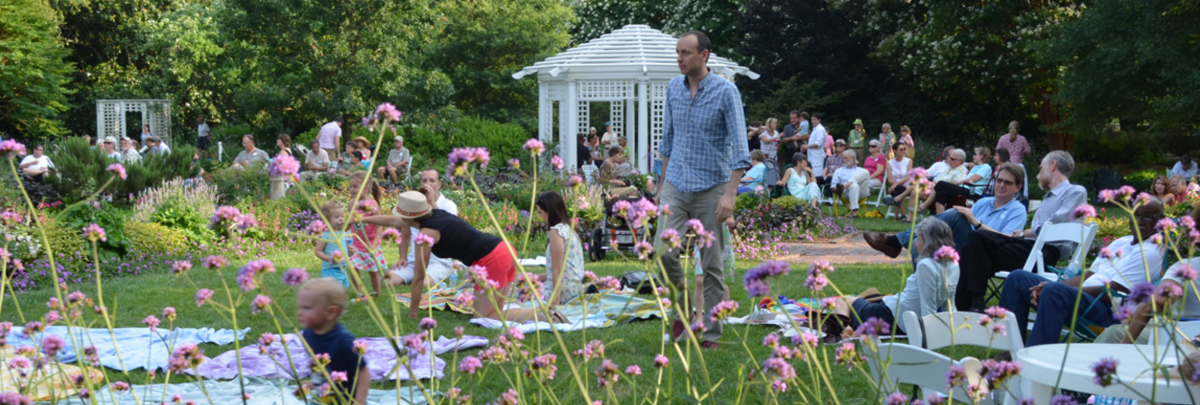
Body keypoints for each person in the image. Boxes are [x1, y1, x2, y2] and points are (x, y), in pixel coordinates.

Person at [655, 30, 750, 349]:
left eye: (685, 53)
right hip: (676, 183)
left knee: (711, 263)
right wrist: (661, 186)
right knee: (662, 251)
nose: (679, 58)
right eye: (677, 52)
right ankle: (682, 311)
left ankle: (710, 333)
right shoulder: (672, 88)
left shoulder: (726, 91)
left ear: (704, 55)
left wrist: (730, 194)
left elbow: (740, 147)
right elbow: (667, 141)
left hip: (713, 185)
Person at [364, 191, 560, 322]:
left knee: (483, 317)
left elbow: (418, 277)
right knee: (496, 312)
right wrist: (362, 218)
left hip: (492, 259)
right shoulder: (434, 214)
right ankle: (544, 315)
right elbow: (393, 220)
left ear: (410, 216)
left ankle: (543, 316)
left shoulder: (426, 235)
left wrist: (413, 312)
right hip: (504, 249)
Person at [999, 199, 1165, 347]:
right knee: (1017, 278)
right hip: (1085, 299)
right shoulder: (1122, 242)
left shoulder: (1149, 253)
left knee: (1053, 292)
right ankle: (1009, 349)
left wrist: (1059, 290)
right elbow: (1088, 275)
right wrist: (1055, 286)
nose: (1139, 221)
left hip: (1107, 310)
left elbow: (1110, 294)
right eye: (1135, 214)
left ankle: (1038, 356)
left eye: (1148, 216)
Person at [955, 151, 1089, 311]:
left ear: (1052, 166)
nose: (1038, 175)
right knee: (971, 246)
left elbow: (1054, 224)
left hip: (1044, 254)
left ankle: (974, 306)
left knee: (977, 239)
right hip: (1028, 249)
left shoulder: (1075, 191)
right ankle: (965, 309)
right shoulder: (1049, 197)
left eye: (1041, 169)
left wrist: (1023, 233)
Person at [866, 163, 1028, 264]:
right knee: (919, 242)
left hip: (984, 252)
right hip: (961, 244)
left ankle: (896, 241)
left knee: (955, 214)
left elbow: (1008, 240)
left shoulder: (1018, 210)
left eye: (1008, 183)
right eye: (999, 180)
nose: (1001, 185)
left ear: (1018, 187)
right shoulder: (984, 203)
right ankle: (922, 296)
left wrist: (976, 223)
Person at [1095, 205, 1200, 345]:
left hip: (1182, 338)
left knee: (1114, 333)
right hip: (1186, 334)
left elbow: (1155, 303)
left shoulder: (1186, 268)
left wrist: (1125, 344)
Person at [836, 217, 959, 334]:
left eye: (919, 239)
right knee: (872, 297)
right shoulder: (953, 264)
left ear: (928, 242)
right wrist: (954, 332)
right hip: (898, 315)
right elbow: (950, 307)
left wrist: (930, 337)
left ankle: (845, 327)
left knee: (842, 300)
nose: (916, 244)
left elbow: (928, 310)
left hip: (891, 317)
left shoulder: (926, 265)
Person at [296, 278, 369, 405]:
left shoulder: (343, 341)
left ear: (331, 312)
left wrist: (360, 400)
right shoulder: (307, 334)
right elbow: (323, 369)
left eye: (307, 308)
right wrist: (314, 383)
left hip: (346, 399)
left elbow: (363, 372)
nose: (299, 313)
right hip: (321, 398)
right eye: (300, 307)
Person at [393, 169, 459, 287]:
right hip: (414, 260)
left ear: (439, 184)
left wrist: (432, 203)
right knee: (388, 281)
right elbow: (404, 233)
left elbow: (445, 230)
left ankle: (439, 273)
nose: (427, 184)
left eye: (432, 181)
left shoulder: (449, 206)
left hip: (438, 261)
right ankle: (408, 279)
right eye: (424, 181)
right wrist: (402, 258)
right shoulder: (414, 205)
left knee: (422, 284)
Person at [536, 191, 585, 305]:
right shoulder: (569, 229)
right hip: (576, 288)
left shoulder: (556, 232)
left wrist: (555, 305)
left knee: (514, 290)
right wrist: (537, 277)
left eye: (541, 213)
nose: (541, 217)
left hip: (564, 291)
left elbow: (557, 271)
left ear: (549, 212)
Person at [346, 172, 384, 298]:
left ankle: (377, 293)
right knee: (353, 268)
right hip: (355, 244)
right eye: (351, 186)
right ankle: (360, 293)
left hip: (370, 244)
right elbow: (349, 223)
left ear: (366, 188)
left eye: (355, 186)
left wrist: (375, 243)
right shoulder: (352, 204)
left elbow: (380, 224)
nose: (352, 189)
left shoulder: (372, 205)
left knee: (373, 272)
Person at [923, 146, 993, 214]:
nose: (973, 156)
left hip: (973, 192)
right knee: (940, 194)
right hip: (965, 189)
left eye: (975, 154)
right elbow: (963, 165)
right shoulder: (976, 167)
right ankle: (941, 220)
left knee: (941, 184)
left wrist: (956, 183)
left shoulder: (986, 167)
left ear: (982, 156)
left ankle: (924, 206)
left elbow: (970, 181)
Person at [694, 216, 735, 318]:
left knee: (716, 281)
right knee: (700, 281)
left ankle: (726, 313)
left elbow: (730, 220)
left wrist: (713, 219)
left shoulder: (720, 201)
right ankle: (699, 317)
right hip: (702, 243)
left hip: (718, 244)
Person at [315, 201, 354, 288]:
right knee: (333, 293)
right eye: (336, 217)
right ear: (326, 219)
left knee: (344, 291)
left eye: (342, 216)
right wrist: (329, 258)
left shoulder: (342, 233)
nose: (341, 219)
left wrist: (350, 252)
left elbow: (344, 249)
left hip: (342, 269)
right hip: (330, 270)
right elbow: (318, 251)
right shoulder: (325, 235)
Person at [826, 150, 871, 218]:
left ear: (853, 158)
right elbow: (833, 187)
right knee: (854, 185)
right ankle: (854, 212)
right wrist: (838, 190)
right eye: (843, 158)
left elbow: (869, 185)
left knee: (866, 171)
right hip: (846, 193)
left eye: (846, 158)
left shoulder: (861, 170)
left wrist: (845, 185)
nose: (844, 160)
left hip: (862, 192)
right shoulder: (839, 171)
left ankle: (845, 185)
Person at [884, 142, 914, 221]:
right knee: (899, 189)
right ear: (895, 151)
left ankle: (897, 216)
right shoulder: (890, 163)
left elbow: (908, 176)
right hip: (896, 186)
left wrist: (896, 184)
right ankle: (902, 215)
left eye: (904, 149)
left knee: (897, 190)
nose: (903, 151)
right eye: (901, 149)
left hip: (907, 185)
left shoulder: (909, 161)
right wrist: (895, 184)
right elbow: (890, 180)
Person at [807, 113, 828, 177]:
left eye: (814, 119)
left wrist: (807, 146)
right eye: (812, 120)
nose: (812, 121)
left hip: (817, 157)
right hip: (812, 156)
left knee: (817, 174)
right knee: (812, 172)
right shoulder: (815, 129)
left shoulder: (820, 129)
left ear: (819, 120)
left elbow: (818, 144)